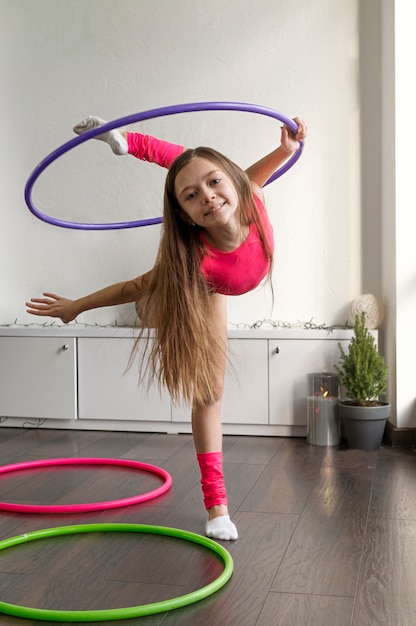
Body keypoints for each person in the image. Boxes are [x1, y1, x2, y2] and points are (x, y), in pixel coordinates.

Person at [26, 114, 307, 540]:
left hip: (221, 266)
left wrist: (286, 150)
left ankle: (124, 141)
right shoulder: (195, 258)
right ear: (187, 216)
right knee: (209, 392)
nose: (209, 198)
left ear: (232, 180)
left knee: (189, 164)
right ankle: (217, 507)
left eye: (216, 184)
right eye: (193, 198)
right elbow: (133, 285)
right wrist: (76, 307)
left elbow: (219, 173)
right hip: (206, 288)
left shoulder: (248, 192)